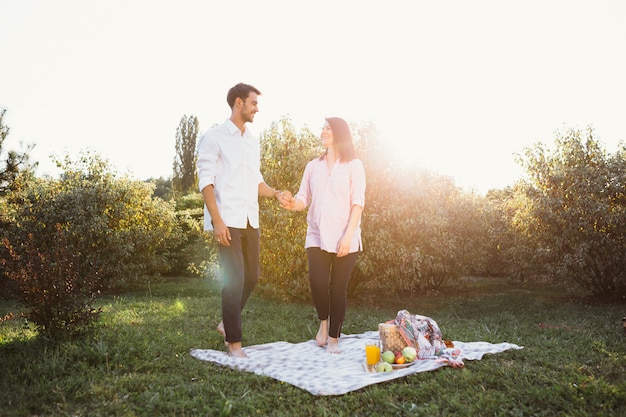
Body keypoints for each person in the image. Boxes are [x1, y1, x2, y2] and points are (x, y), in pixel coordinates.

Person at [197, 82, 290, 358]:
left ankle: (227, 322)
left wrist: (274, 194)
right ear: (238, 103)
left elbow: (256, 180)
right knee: (235, 279)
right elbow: (206, 182)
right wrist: (217, 221)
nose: (256, 109)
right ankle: (234, 343)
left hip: (251, 219)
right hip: (227, 219)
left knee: (252, 277)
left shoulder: (252, 139)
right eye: (253, 103)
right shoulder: (214, 137)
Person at [283, 117, 366, 354]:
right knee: (318, 283)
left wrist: (348, 236)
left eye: (329, 128)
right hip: (317, 234)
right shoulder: (313, 166)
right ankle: (323, 323)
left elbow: (358, 203)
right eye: (323, 128)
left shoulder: (354, 165)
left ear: (340, 133)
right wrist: (292, 204)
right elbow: (303, 198)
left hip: (345, 235)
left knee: (338, 289)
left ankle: (333, 339)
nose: (324, 131)